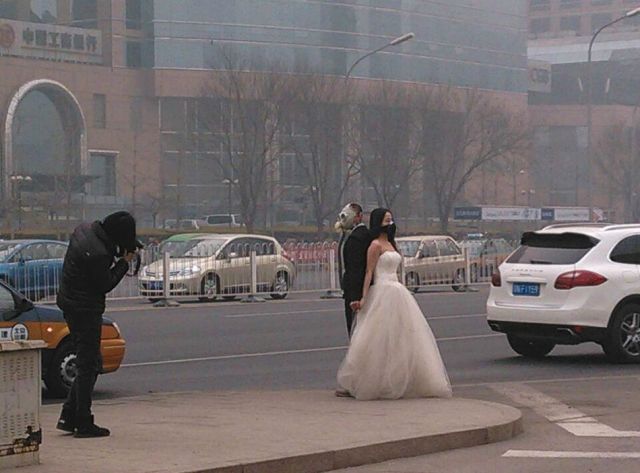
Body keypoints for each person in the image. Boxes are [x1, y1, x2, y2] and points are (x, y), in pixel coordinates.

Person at [336, 208, 452, 401]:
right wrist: (363, 297)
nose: (389, 223)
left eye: (390, 219)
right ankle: (369, 380)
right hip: (381, 291)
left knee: (402, 337)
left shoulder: (391, 244)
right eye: (385, 220)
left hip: (398, 291)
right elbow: (369, 273)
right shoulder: (374, 245)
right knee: (376, 339)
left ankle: (402, 379)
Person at [56, 211, 140, 438]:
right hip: (85, 309)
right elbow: (105, 283)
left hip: (69, 302)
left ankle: (68, 416)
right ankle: (83, 422)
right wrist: (124, 262)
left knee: (91, 361)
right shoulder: (98, 254)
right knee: (88, 365)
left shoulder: (85, 230)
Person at [335, 203, 371, 337]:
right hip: (358, 290)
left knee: (356, 330)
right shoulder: (359, 236)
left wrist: (355, 296)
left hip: (355, 293)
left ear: (359, 217)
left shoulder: (357, 238)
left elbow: (356, 269)